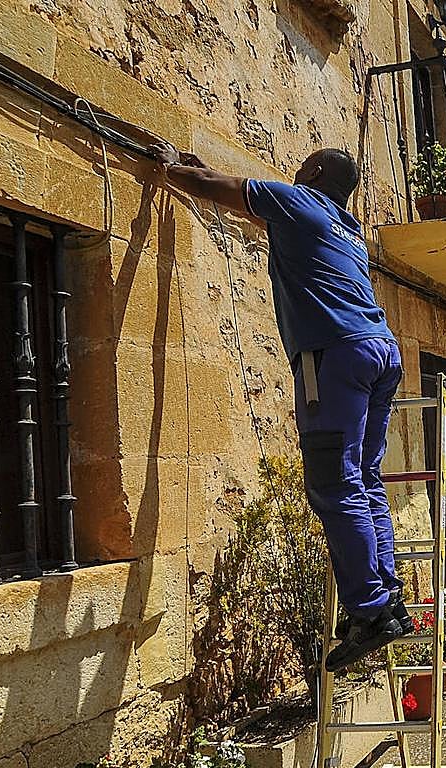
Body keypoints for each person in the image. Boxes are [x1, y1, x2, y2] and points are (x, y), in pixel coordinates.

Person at [150, 141, 409, 671]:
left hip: (334, 355)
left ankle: (371, 611)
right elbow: (238, 195)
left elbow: (226, 191)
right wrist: (203, 169)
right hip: (380, 350)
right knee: (364, 478)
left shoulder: (297, 202)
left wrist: (173, 171)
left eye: (303, 163)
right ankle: (388, 598)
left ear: (312, 172)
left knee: (333, 484)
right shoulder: (347, 231)